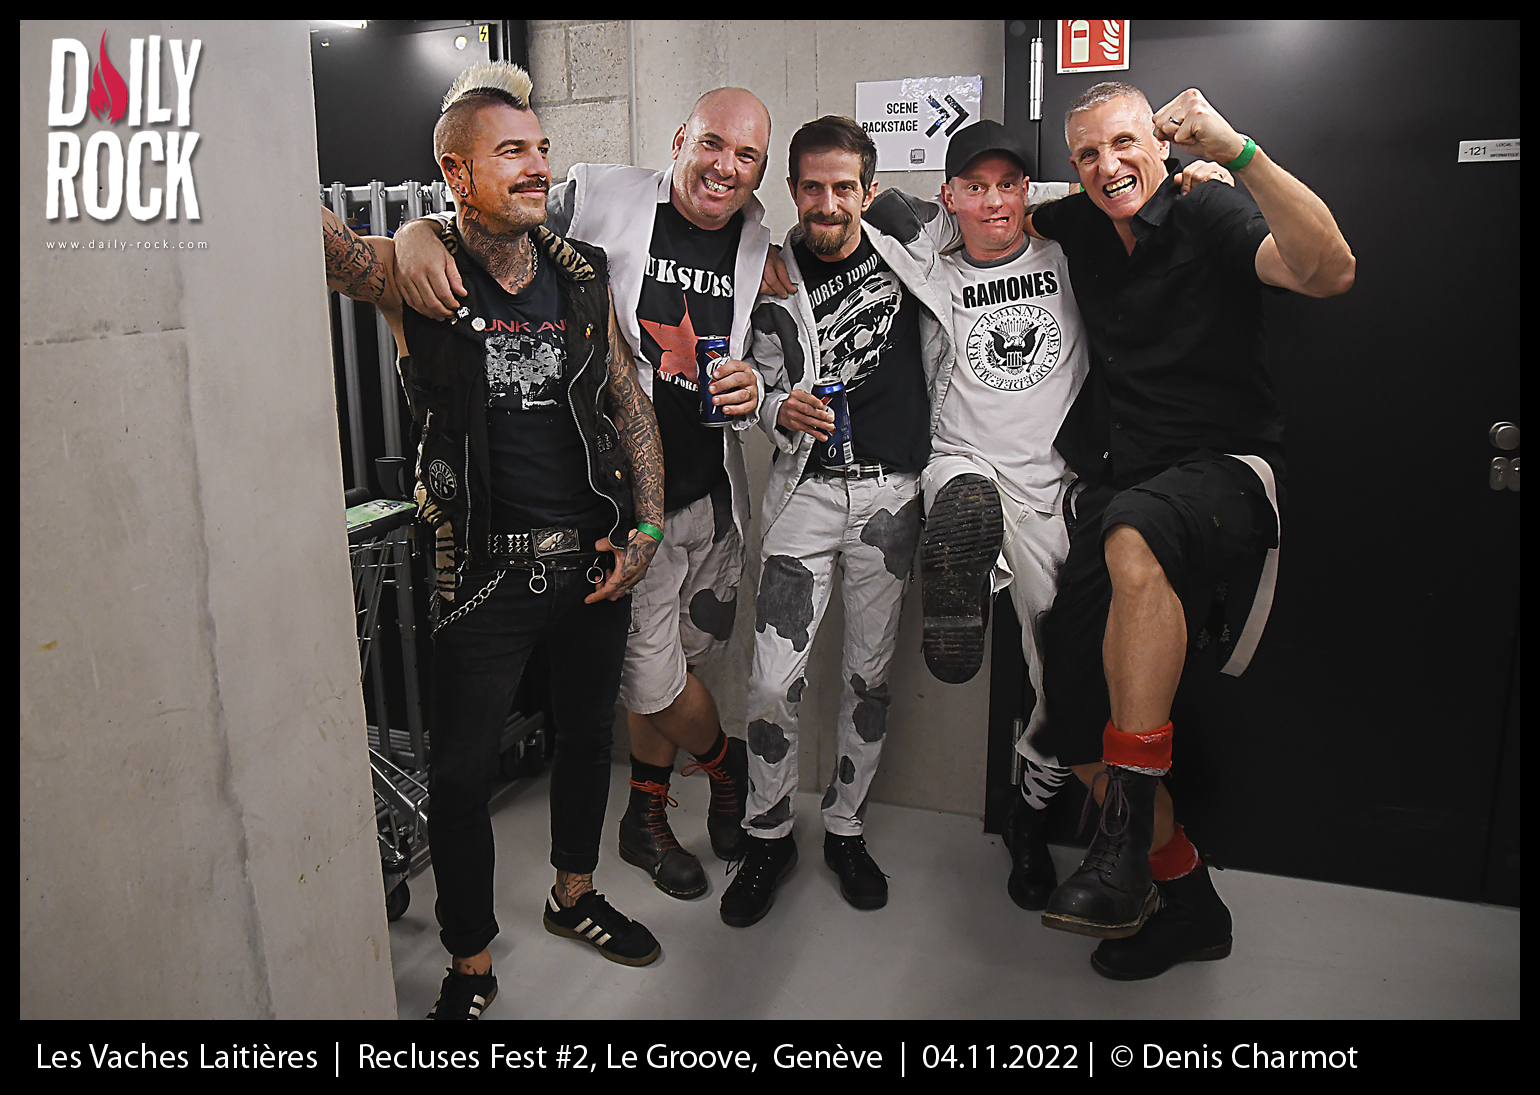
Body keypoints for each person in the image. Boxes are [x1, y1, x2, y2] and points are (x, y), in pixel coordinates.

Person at [322, 61, 667, 1019]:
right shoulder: (414, 273)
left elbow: (627, 400)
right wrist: (408, 230)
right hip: (479, 576)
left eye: (542, 148)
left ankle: (573, 893)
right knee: (462, 776)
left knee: (586, 739)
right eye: (512, 151)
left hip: (592, 561)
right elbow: (326, 249)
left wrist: (644, 526)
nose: (538, 166)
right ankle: (470, 960)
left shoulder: (581, 273)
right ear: (456, 171)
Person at [393, 88, 775, 901]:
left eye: (747, 156)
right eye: (712, 144)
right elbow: (494, 217)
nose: (725, 167)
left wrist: (757, 389)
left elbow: (768, 352)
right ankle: (726, 764)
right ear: (680, 138)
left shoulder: (756, 237)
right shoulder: (597, 194)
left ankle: (645, 812)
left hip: (712, 500)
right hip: (625, 505)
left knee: (679, 664)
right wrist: (412, 232)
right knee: (652, 682)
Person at [1025, 82, 1354, 979]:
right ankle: (1189, 902)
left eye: (1125, 143)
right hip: (1123, 480)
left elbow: (1329, 270)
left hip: (1226, 470)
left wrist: (1237, 152)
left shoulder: (1208, 206)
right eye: (1088, 154)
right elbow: (990, 210)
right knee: (1074, 725)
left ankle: (1119, 845)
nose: (1108, 166)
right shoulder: (1082, 220)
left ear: (1162, 146)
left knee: (1133, 530)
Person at [722, 116, 955, 925]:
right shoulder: (767, 275)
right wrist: (775, 409)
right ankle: (768, 833)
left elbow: (997, 208)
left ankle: (847, 829)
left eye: (843, 187)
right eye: (812, 188)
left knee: (868, 678)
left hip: (892, 499)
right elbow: (750, 382)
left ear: (869, 189)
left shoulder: (909, 244)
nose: (827, 204)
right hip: (807, 496)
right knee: (769, 681)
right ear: (792, 190)